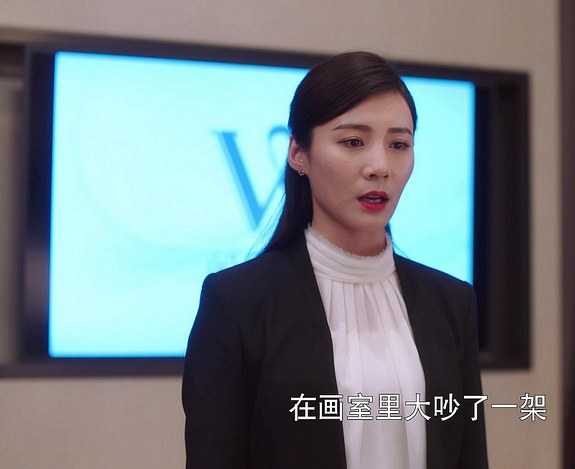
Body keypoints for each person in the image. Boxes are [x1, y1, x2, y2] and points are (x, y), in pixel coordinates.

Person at [182, 51, 488, 469]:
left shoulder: (452, 302)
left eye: (398, 144)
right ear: (298, 153)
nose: (380, 167)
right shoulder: (236, 302)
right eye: (353, 142)